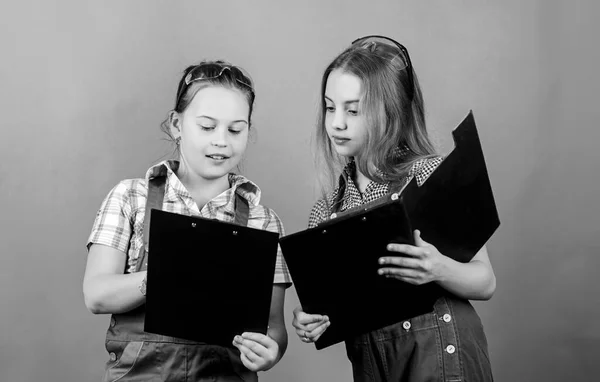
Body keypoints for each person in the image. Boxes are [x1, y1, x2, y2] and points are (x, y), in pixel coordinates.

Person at [292, 35, 496, 381]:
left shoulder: (428, 173)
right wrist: (314, 322)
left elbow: (485, 281)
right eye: (330, 107)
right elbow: (339, 312)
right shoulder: (325, 212)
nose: (336, 123)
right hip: (376, 364)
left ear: (391, 111)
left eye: (353, 110)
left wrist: (438, 268)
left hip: (441, 357)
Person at [83, 60, 291, 382]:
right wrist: (167, 278)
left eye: (236, 129)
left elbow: (273, 326)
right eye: (207, 127)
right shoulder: (131, 199)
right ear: (177, 125)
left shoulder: (263, 221)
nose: (222, 140)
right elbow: (96, 294)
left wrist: (269, 352)